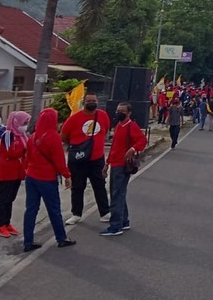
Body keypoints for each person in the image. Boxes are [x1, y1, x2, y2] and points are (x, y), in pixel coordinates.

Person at [22, 108, 75, 251]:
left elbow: (27, 158)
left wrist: (27, 171)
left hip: (31, 176)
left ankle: (28, 241)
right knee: (53, 209)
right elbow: (59, 161)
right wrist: (67, 175)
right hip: (46, 178)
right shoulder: (53, 137)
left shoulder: (33, 137)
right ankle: (61, 238)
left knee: (31, 210)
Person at [60, 93, 111, 226]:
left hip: (97, 159)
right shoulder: (74, 118)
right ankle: (76, 214)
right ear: (84, 102)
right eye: (89, 101)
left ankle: (105, 213)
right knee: (77, 187)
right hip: (78, 159)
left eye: (94, 100)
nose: (91, 103)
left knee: (99, 185)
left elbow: (106, 131)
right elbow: (64, 136)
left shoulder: (102, 115)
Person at [101, 102, 147, 237]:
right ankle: (124, 221)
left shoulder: (131, 126)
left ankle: (116, 225)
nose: (119, 113)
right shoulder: (119, 127)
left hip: (122, 166)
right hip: (115, 164)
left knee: (116, 195)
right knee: (119, 194)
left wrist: (132, 149)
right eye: (118, 110)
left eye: (122, 111)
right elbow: (114, 147)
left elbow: (142, 141)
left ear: (129, 113)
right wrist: (107, 163)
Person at [0, 111, 29, 237]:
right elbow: (10, 152)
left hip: (18, 171)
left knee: (11, 199)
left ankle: (6, 223)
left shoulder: (22, 135)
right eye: (24, 123)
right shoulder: (8, 135)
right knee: (4, 198)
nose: (25, 125)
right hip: (7, 171)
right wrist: (23, 151)